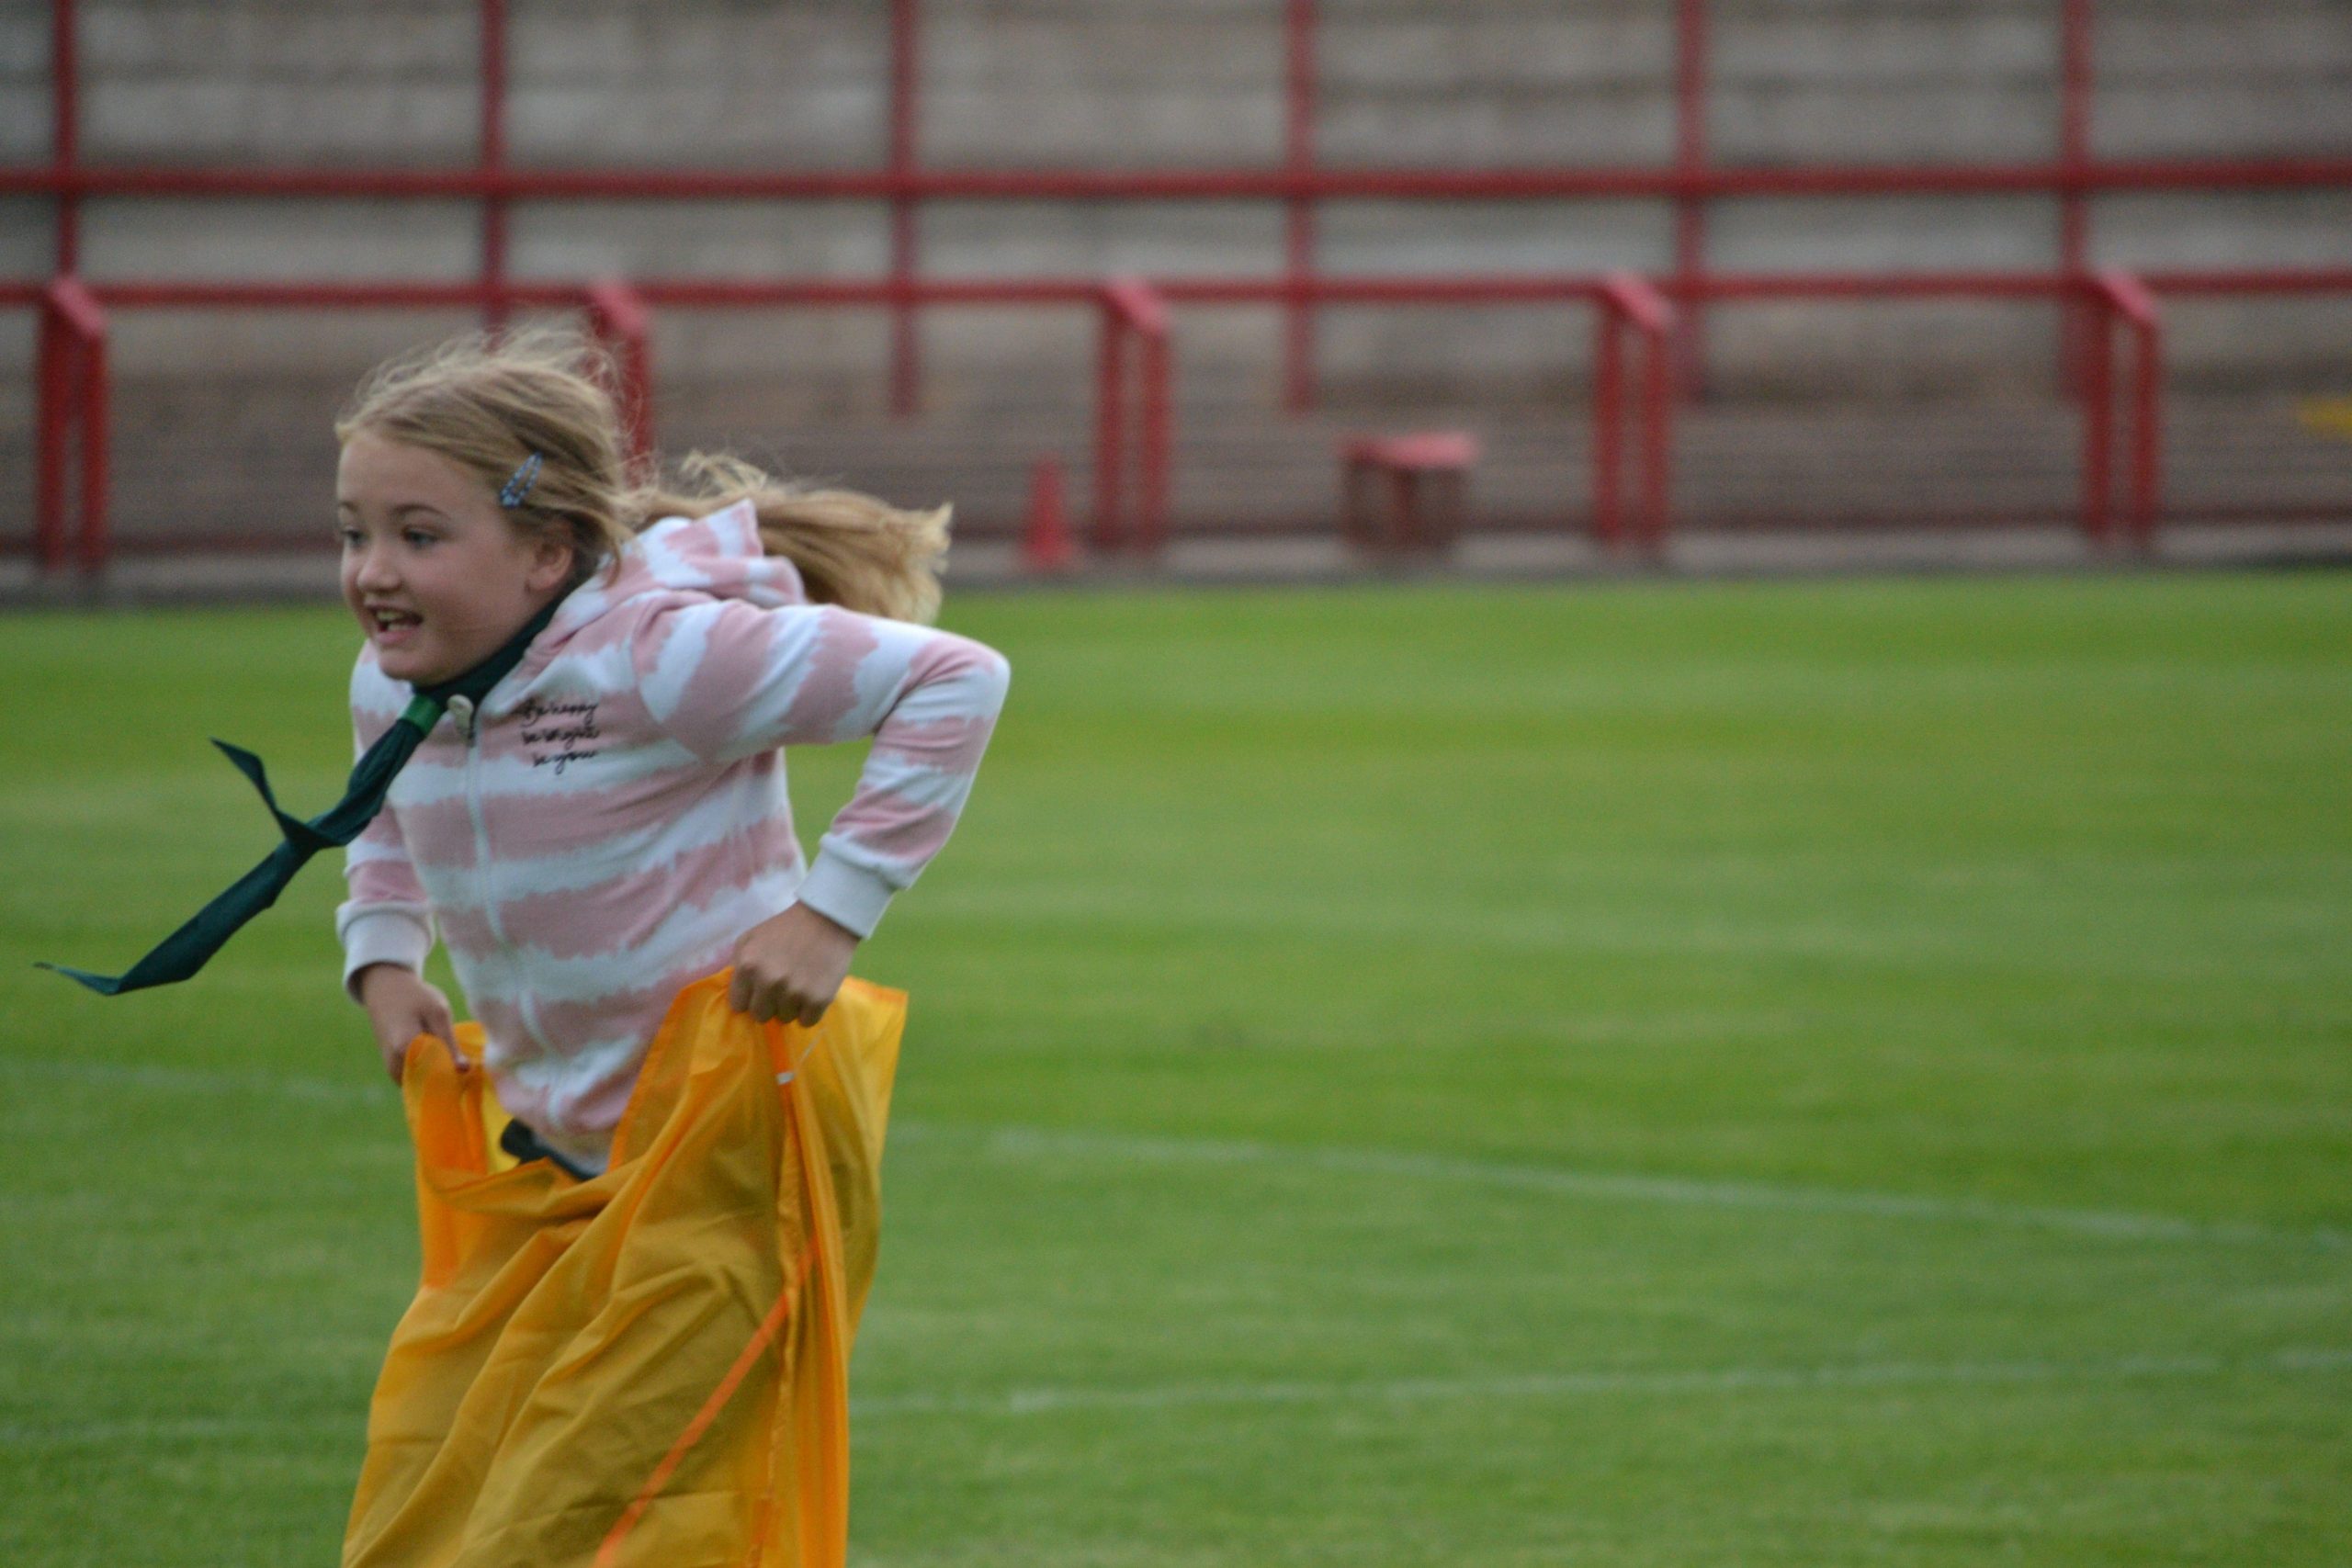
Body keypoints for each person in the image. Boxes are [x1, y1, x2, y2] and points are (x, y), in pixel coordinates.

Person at [326, 327, 1010, 1566]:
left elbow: (958, 681)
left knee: (563, 1536)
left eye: (419, 536)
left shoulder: (663, 659)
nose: (374, 571)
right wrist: (384, 956)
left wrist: (829, 912)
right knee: (422, 1524)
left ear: (546, 552)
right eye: (355, 531)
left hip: (732, 1165)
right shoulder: (395, 683)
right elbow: (381, 803)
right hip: (548, 1172)